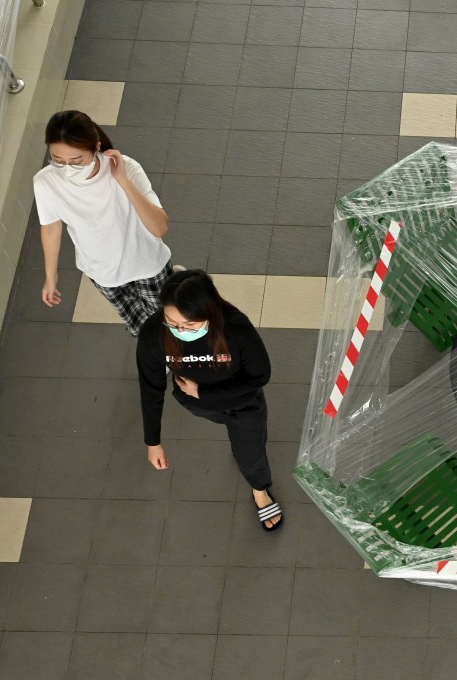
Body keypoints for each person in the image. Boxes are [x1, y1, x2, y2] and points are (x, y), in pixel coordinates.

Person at [136, 270, 282, 531]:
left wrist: (203, 393)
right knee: (240, 441)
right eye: (171, 321)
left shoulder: (235, 329)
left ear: (210, 313)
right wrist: (153, 442)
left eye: (190, 325)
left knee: (250, 451)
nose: (180, 330)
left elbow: (259, 376)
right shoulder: (153, 334)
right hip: (196, 405)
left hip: (243, 404)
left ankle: (260, 490)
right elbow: (150, 388)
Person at [33, 110, 172, 336]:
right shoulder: (45, 182)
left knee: (171, 321)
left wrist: (123, 180)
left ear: (96, 147)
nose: (67, 169)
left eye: (77, 161)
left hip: (147, 264)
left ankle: (180, 358)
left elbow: (160, 228)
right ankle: (163, 353)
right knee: (142, 329)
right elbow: (50, 227)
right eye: (58, 161)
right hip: (102, 272)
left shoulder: (126, 168)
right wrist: (51, 276)